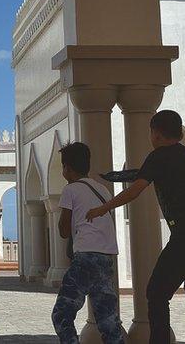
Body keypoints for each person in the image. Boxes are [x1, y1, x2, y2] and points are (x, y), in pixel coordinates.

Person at [87, 110, 185, 344]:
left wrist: (103, 208)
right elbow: (147, 173)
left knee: (156, 293)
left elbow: (136, 189)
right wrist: (117, 176)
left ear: (156, 132)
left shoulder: (159, 156)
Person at [51, 142, 124, 344]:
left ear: (67, 168)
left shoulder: (70, 190)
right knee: (108, 320)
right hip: (107, 256)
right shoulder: (103, 189)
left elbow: (64, 230)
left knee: (62, 314)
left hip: (85, 257)